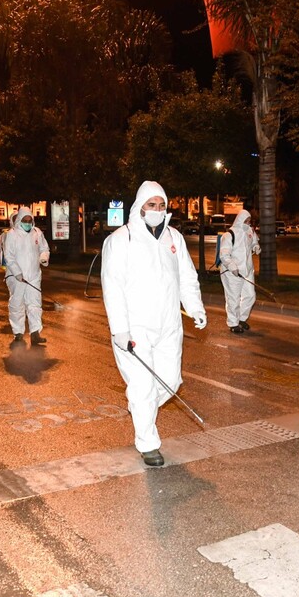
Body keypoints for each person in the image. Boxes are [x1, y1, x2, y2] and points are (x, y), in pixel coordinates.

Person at [101, 181, 206, 467]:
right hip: (134, 330)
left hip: (169, 325)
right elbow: (112, 286)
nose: (157, 210)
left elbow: (186, 276)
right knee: (144, 386)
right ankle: (148, 443)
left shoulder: (174, 237)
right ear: (140, 207)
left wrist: (194, 306)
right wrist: (120, 329)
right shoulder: (121, 240)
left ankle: (140, 405)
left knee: (171, 381)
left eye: (161, 205)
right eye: (152, 205)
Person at [1, 207, 50, 346]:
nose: (28, 222)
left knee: (34, 304)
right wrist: (17, 272)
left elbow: (44, 248)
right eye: (25, 220)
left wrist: (43, 257)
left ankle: (35, 333)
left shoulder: (37, 233)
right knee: (17, 304)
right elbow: (8, 256)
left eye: (30, 220)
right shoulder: (12, 234)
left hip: (34, 275)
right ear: (20, 220)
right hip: (16, 277)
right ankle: (18, 333)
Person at [218, 209, 261, 333]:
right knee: (233, 298)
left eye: (249, 221)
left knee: (250, 296)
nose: (248, 223)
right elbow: (224, 255)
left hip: (246, 271)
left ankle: (241, 318)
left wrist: (256, 247)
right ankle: (233, 323)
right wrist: (232, 267)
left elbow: (254, 242)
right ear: (240, 220)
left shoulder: (249, 232)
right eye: (246, 221)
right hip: (232, 272)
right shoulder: (229, 235)